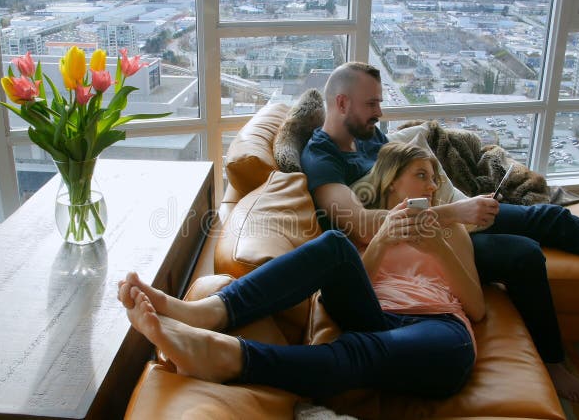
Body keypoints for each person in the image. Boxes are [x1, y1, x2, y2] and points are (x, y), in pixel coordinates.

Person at [300, 61, 579, 403]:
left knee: (550, 217)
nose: (380, 112)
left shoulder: (369, 137)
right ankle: (553, 361)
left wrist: (458, 205)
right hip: (412, 245)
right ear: (342, 103)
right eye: (372, 103)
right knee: (524, 254)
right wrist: (455, 212)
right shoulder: (323, 157)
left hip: (443, 223)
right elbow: (363, 224)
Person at [118, 144, 484, 398]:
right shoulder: (369, 228)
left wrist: (439, 247)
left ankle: (231, 357)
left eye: (435, 179)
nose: (433, 186)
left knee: (366, 351)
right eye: (422, 175)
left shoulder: (450, 230)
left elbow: (477, 309)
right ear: (391, 181)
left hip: (437, 327)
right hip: (374, 313)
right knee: (335, 245)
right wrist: (382, 242)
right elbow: (339, 294)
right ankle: (207, 312)